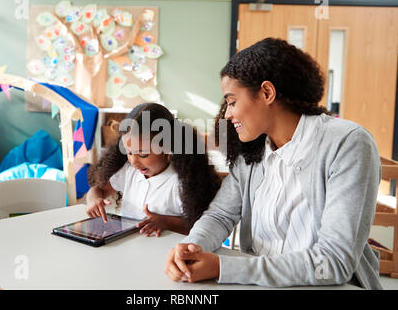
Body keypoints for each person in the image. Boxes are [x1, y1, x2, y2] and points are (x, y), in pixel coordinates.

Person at [164, 38, 382, 289]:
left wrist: (223, 267)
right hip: (258, 283)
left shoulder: (347, 143)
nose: (227, 114)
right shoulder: (253, 149)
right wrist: (191, 247)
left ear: (267, 92)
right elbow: (221, 215)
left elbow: (332, 261)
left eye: (232, 101)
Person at [86, 102, 222, 237]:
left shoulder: (184, 182)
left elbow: (201, 227)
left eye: (143, 154)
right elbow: (98, 189)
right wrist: (94, 199)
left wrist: (167, 222)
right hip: (129, 249)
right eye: (129, 152)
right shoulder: (129, 172)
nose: (134, 162)